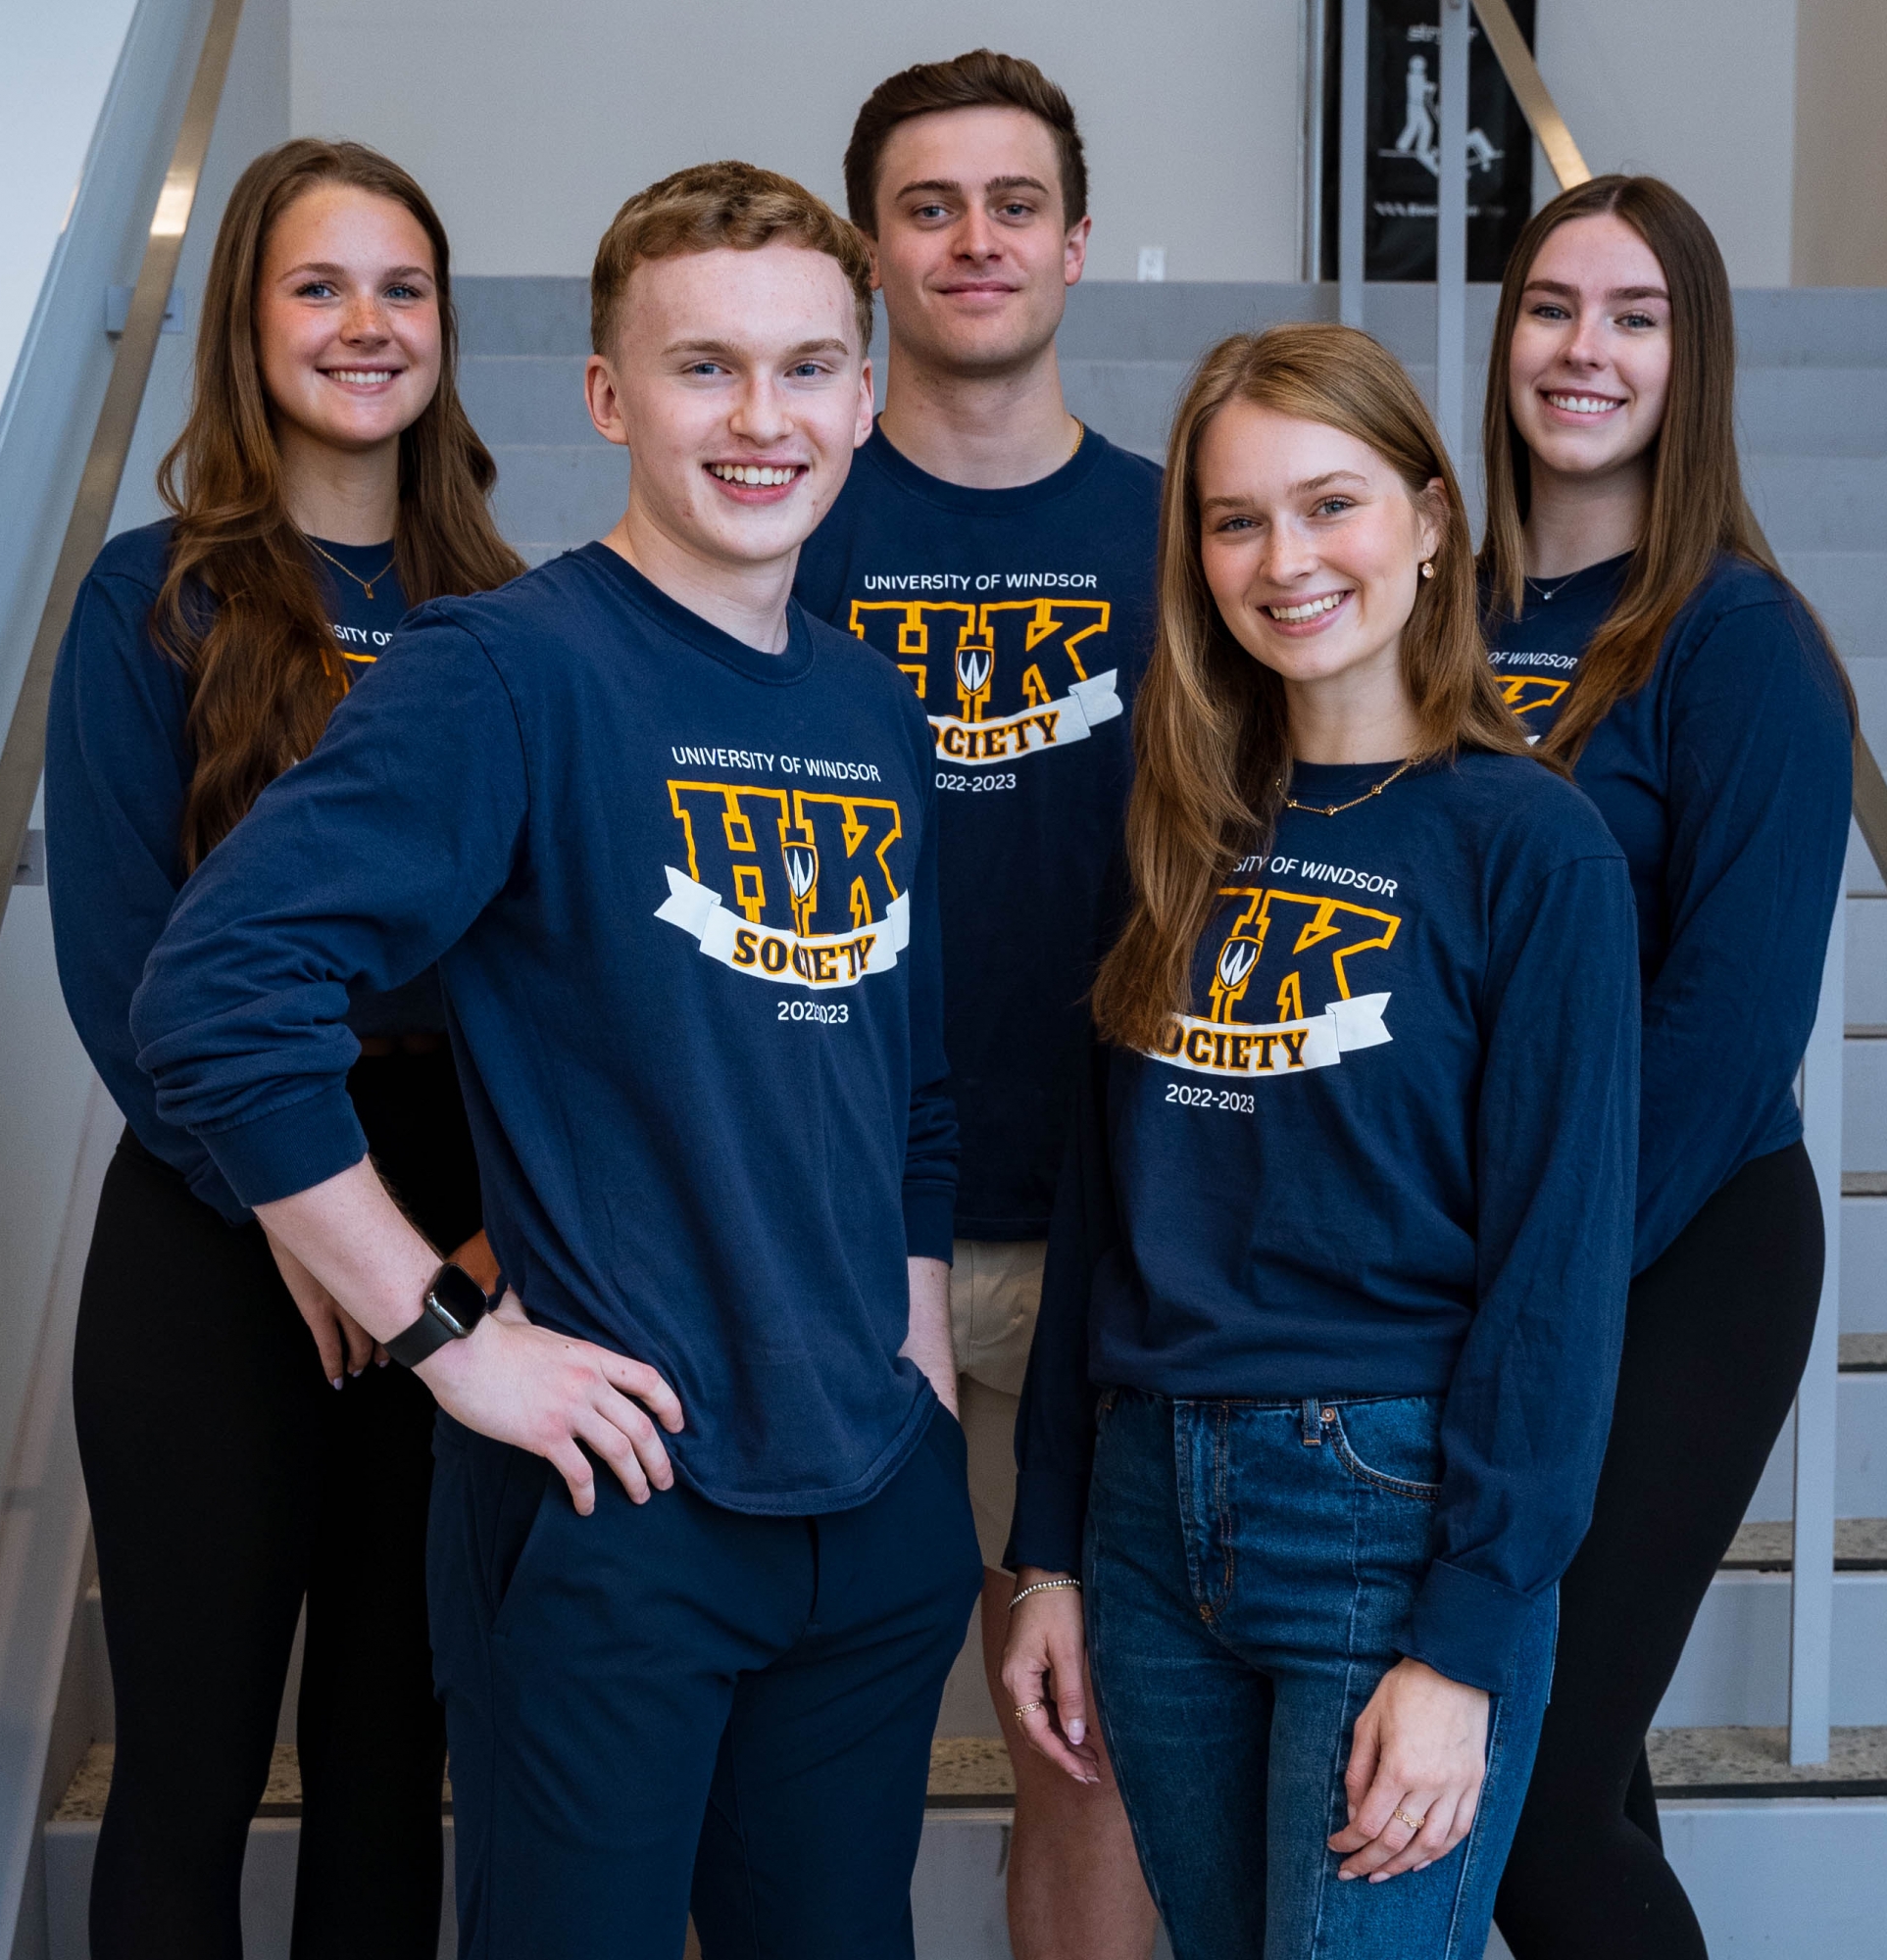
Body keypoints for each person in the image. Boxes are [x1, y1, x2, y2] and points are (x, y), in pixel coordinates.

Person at [126, 161, 978, 1960]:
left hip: (871, 1508)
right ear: (608, 394)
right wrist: (448, 1337)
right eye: (706, 370)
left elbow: (908, 1079)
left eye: (811, 369)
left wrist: (918, 1379)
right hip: (622, 1506)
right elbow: (217, 994)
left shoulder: (866, 700)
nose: (766, 421)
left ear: (868, 392)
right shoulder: (504, 671)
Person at [1001, 323, 1641, 1960]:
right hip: (1150, 1512)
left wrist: (1470, 1644)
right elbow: (1104, 1212)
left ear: (1431, 520)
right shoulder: (1171, 823)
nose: (1284, 561)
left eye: (1330, 503)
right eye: (1234, 520)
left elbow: (1556, 1282)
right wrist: (1052, 1556)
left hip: (1385, 1505)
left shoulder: (1532, 845)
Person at [44, 138, 518, 1960]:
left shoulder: (517, 610)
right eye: (319, 285)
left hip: (466, 1234)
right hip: (212, 1235)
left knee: (401, 1752)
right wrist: (308, 1229)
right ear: (247, 321)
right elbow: (125, 975)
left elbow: (554, 977)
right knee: (188, 1762)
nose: (367, 324)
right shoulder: (151, 597)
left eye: (403, 286)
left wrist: (457, 1258)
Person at [794, 52, 1162, 1959]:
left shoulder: (1195, 541)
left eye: (1012, 203)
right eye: (927, 205)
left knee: (1087, 1765)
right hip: (838, 1253)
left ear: (1075, 244)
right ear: (869, 245)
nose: (973, 239)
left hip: (1121, 1250)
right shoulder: (776, 525)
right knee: (786, 1778)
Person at [1477, 176, 1853, 1960]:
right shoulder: (1428, 613)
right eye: (1555, 306)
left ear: (1692, 359)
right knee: (1580, 1777)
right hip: (1476, 1247)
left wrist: (1529, 1285)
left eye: (1638, 316)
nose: (1586, 351)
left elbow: (1723, 1037)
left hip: (1675, 1251)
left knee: (1532, 1790)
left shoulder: (1739, 641)